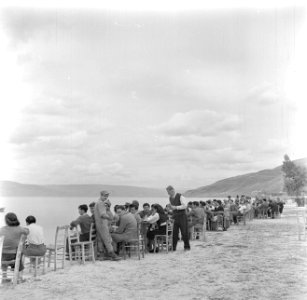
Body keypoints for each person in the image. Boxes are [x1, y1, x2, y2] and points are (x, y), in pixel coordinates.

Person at [0, 213, 29, 283]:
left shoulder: (1, 230)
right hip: (15, 256)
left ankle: (4, 277)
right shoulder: (20, 229)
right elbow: (27, 232)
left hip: (2, 256)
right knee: (21, 251)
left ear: (6, 221)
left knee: (4, 254)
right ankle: (19, 277)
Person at [94, 191, 120, 261]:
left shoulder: (97, 203)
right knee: (107, 239)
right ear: (101, 195)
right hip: (102, 224)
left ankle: (101, 255)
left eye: (107, 196)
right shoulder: (101, 203)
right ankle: (113, 255)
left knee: (100, 240)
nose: (106, 197)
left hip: (98, 224)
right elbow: (102, 214)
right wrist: (111, 218)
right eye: (105, 196)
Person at [166, 185, 190, 251]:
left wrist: (176, 207)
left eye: (168, 192)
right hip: (175, 217)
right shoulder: (170, 198)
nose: (168, 193)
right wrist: (170, 209)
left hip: (182, 216)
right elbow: (173, 208)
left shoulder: (180, 196)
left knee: (184, 232)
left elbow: (185, 206)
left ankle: (187, 246)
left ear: (172, 190)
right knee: (174, 232)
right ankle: (173, 247)